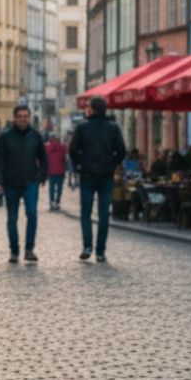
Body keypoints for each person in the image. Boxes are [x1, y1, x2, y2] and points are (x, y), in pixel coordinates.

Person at [70, 94, 127, 263]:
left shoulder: (82, 127)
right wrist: (112, 163)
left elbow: (73, 150)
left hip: (87, 175)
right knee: (103, 214)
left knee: (86, 213)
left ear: (92, 109)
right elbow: (122, 151)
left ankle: (87, 246)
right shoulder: (113, 128)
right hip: (106, 176)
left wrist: (78, 166)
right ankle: (100, 251)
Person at [0, 104, 47, 263]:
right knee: (12, 218)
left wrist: (42, 175)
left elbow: (43, 157)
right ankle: (14, 251)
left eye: (25, 117)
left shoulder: (35, 136)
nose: (23, 120)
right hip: (10, 183)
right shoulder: (5, 137)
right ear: (14, 118)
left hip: (30, 181)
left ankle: (29, 249)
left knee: (31, 214)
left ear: (29, 118)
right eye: (20, 117)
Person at [44, 133, 68, 211]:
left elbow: (45, 159)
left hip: (51, 171)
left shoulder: (47, 147)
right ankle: (57, 202)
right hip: (60, 170)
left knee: (51, 187)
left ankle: (51, 202)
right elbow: (65, 158)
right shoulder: (62, 147)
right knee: (59, 188)